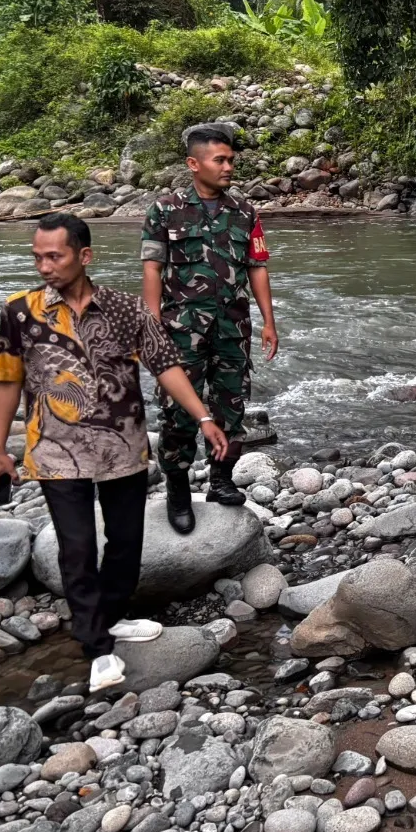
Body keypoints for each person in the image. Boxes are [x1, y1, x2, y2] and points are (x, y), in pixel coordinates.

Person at [0, 215, 230, 692]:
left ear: (84, 256)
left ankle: (112, 615)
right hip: (56, 449)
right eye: (37, 256)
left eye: (54, 256)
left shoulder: (127, 309)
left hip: (122, 445)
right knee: (76, 549)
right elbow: (7, 379)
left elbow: (165, 366)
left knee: (126, 542)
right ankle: (97, 648)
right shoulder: (20, 311)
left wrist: (203, 417)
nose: (44, 266)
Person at [140, 125, 278, 533]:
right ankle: (179, 490)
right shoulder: (165, 209)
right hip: (180, 330)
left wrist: (268, 321)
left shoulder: (244, 211)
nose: (228, 166)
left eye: (231, 160)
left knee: (231, 408)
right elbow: (152, 269)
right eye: (220, 160)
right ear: (193, 164)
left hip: (233, 328)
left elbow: (257, 267)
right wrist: (150, 326)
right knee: (178, 412)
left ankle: (221, 480)